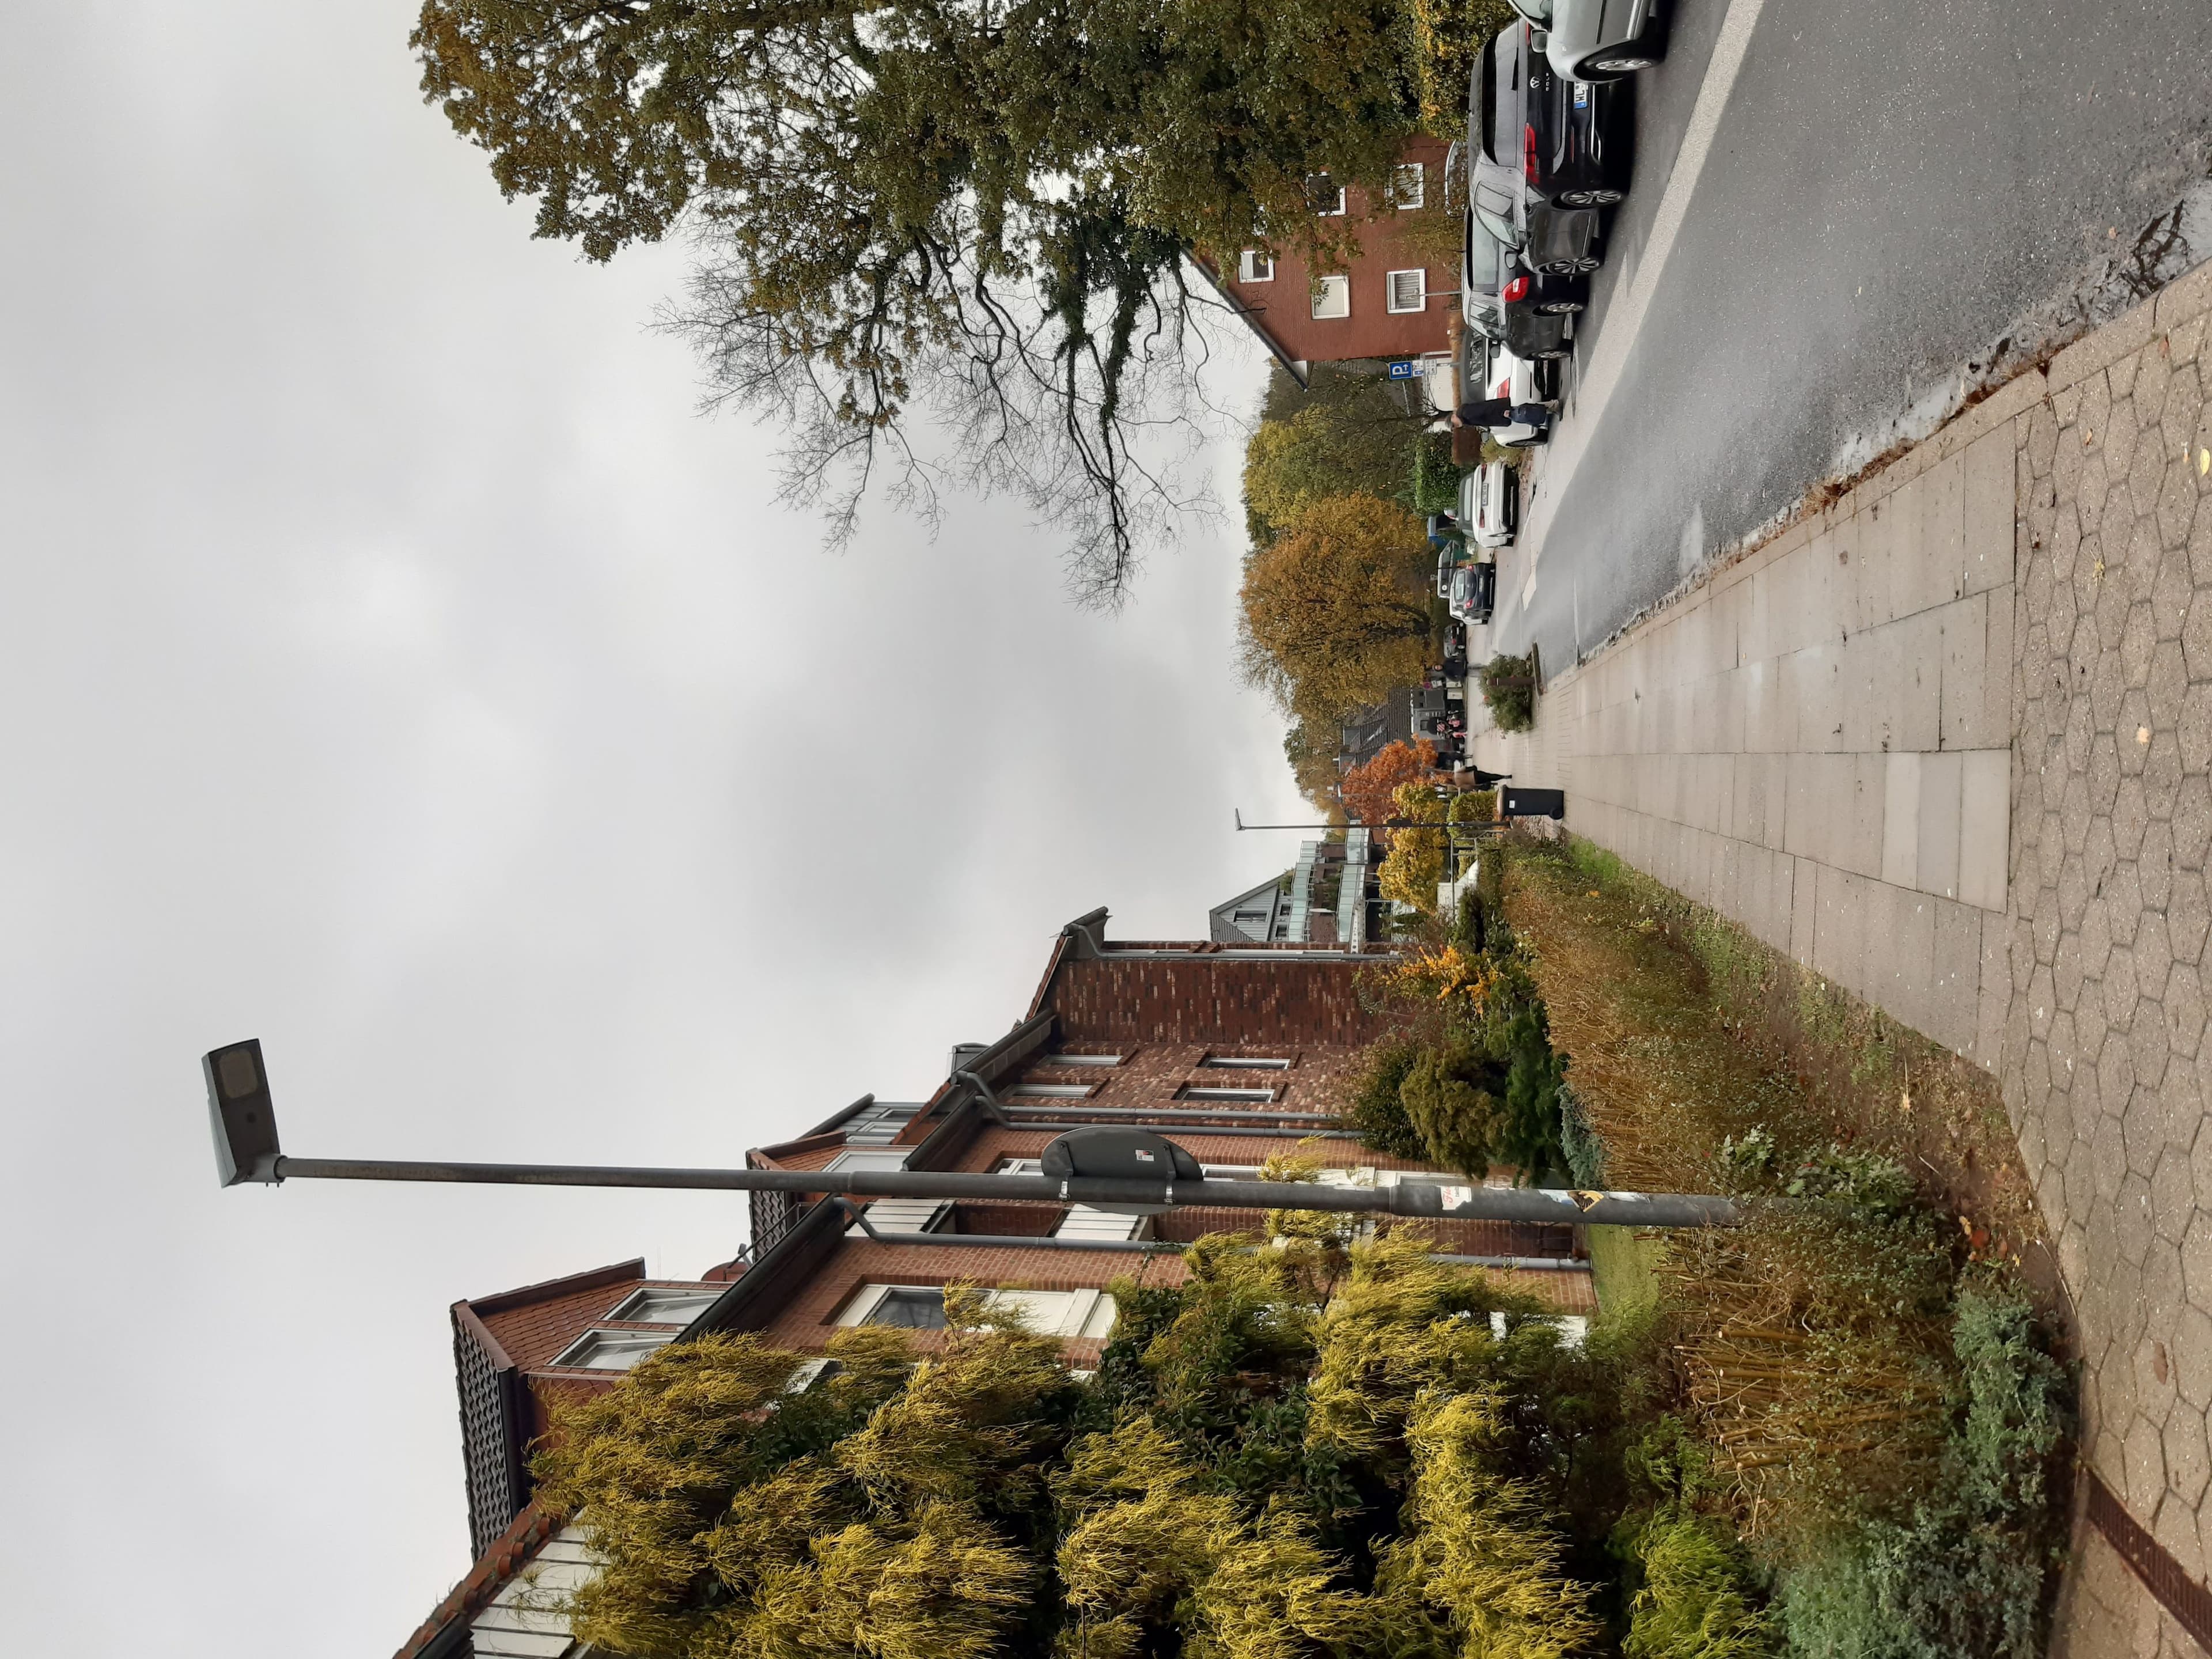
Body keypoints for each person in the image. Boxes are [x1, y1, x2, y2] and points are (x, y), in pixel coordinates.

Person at [1457, 396, 1557, 431]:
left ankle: (1553, 405)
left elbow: (1485, 409)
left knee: (1526, 413)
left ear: (1454, 417)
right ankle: (1552, 406)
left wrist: (1502, 413)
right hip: (1501, 412)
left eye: (1454, 424)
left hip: (1501, 411)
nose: (1457, 426)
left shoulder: (1466, 413)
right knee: (1526, 412)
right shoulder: (1466, 419)